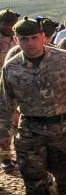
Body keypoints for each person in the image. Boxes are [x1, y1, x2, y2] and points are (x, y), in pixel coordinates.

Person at [0, 18, 66, 195]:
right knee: (34, 180)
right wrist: (4, 132)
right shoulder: (11, 67)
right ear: (16, 40)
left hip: (62, 127)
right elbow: (5, 103)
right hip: (30, 130)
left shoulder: (64, 59)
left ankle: (64, 194)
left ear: (43, 36)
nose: (31, 43)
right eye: (24, 39)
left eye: (35, 37)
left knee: (65, 171)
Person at [0, 9, 22, 172]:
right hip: (1, 88)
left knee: (17, 122)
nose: (10, 26)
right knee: (4, 123)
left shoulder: (19, 39)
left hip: (19, 86)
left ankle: (20, 154)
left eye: (13, 23)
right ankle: (5, 157)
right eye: (8, 23)